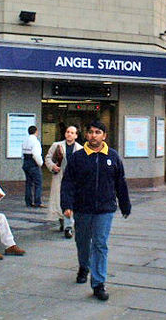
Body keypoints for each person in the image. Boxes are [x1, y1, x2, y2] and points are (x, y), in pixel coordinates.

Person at [61, 119, 131, 301]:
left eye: (98, 132)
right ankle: (84, 266)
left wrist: (125, 204)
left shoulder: (113, 157)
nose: (94, 135)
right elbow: (68, 182)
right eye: (91, 132)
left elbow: (120, 183)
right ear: (86, 135)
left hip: (105, 209)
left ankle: (98, 283)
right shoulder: (78, 157)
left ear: (104, 136)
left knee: (100, 243)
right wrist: (67, 204)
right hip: (83, 208)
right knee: (83, 241)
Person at [45, 125, 83, 238]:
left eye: (72, 132)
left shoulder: (80, 149)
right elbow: (48, 158)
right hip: (60, 177)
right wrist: (52, 166)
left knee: (70, 200)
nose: (69, 134)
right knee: (60, 200)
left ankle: (68, 227)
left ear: (76, 135)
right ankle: (63, 221)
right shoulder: (56, 145)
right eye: (67, 132)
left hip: (74, 179)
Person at [22, 125, 45, 207]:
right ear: (36, 131)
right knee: (38, 183)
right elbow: (36, 155)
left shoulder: (25, 141)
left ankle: (28, 202)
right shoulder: (36, 142)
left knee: (29, 183)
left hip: (26, 163)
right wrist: (41, 163)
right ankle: (37, 201)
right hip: (33, 163)